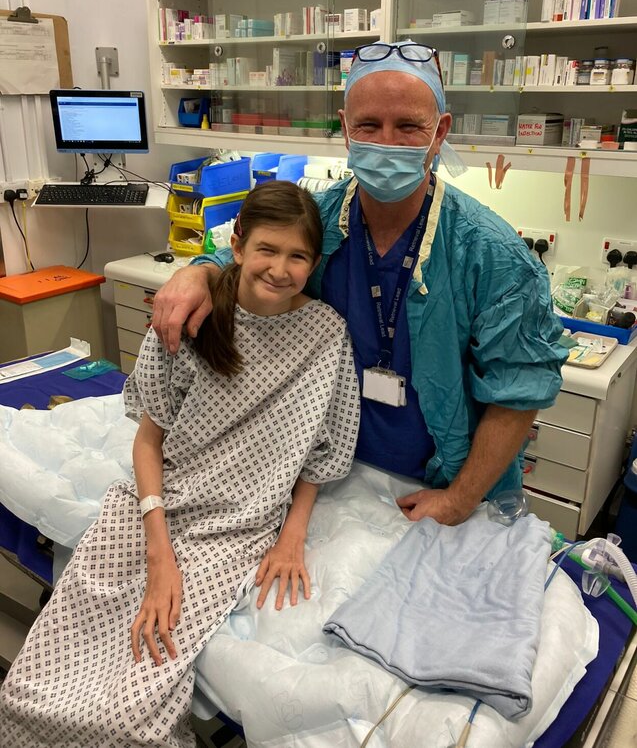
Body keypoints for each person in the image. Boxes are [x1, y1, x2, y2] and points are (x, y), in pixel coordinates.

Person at [0, 181, 360, 748]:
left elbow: (324, 453)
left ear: (314, 264)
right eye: (267, 249)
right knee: (32, 687)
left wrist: (291, 536)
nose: (280, 268)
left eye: (298, 256)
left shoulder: (325, 336)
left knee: (133, 706)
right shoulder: (190, 320)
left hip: (236, 531)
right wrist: (158, 552)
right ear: (237, 246)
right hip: (153, 509)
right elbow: (148, 442)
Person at [152, 40, 567, 527]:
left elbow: (517, 393)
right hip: (332, 476)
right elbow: (245, 255)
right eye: (369, 125)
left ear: (440, 133)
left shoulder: (490, 255)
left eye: (409, 126)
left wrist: (457, 500)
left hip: (442, 486)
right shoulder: (321, 221)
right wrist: (197, 271)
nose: (386, 143)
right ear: (346, 129)